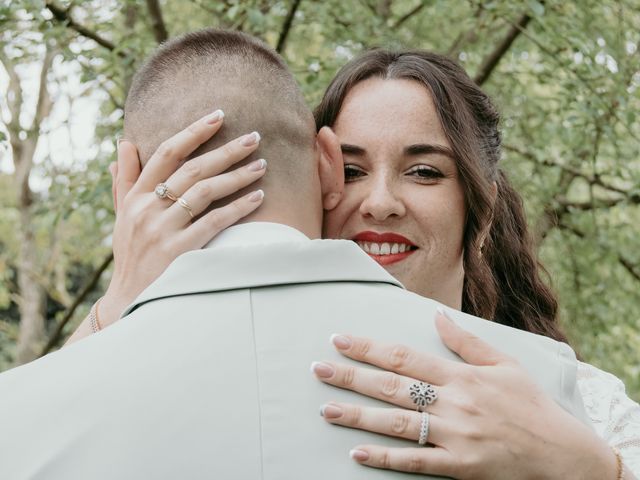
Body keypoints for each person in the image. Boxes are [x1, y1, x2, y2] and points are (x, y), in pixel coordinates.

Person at [2, 31, 632, 480]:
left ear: (482, 202)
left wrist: (591, 471)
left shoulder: (571, 397)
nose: (380, 203)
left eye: (423, 171)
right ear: (324, 172)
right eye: (353, 169)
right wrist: (123, 299)